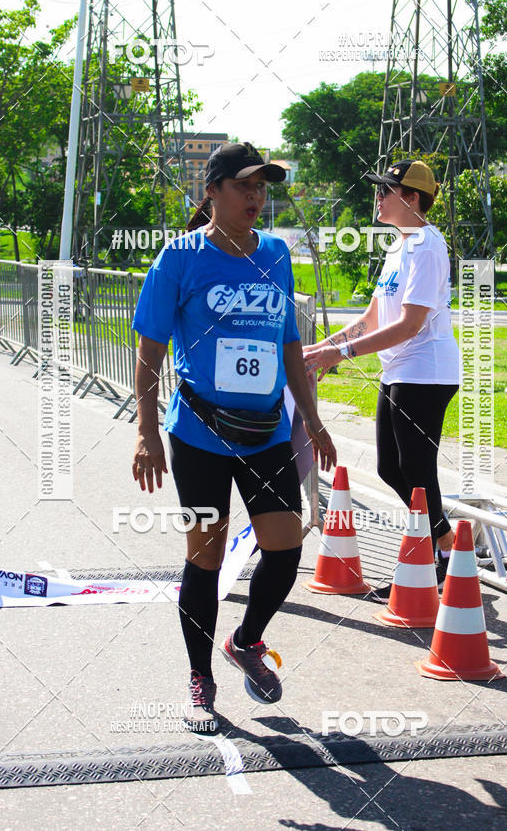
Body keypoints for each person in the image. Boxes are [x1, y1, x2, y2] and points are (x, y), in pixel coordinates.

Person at [131, 141, 336, 733]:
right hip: (198, 436)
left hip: (266, 432)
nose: (256, 197)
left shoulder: (274, 254)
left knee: (285, 549)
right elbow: (149, 354)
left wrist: (315, 423)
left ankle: (245, 640)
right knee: (206, 556)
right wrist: (145, 433)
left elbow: (289, 346)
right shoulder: (179, 258)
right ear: (212, 192)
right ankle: (201, 678)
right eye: (244, 185)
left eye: (262, 187)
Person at [304, 159, 459, 593]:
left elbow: (410, 324)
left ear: (411, 199)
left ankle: (430, 567)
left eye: (386, 190)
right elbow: (372, 318)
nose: (378, 197)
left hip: (425, 371)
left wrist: (343, 353)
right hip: (400, 370)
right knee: (391, 467)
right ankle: (445, 543)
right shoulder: (398, 248)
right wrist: (319, 348)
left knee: (417, 469)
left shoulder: (428, 246)